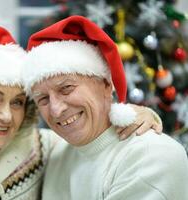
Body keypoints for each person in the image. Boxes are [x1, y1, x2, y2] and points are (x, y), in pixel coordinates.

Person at [0, 21, 162, 200]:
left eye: (17, 102)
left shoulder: (40, 148)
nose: (7, 116)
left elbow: (89, 135)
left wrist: (142, 114)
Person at [22, 15, 188, 200]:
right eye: (43, 99)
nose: (56, 110)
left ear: (106, 85)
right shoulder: (55, 153)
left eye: (66, 88)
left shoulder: (151, 156)